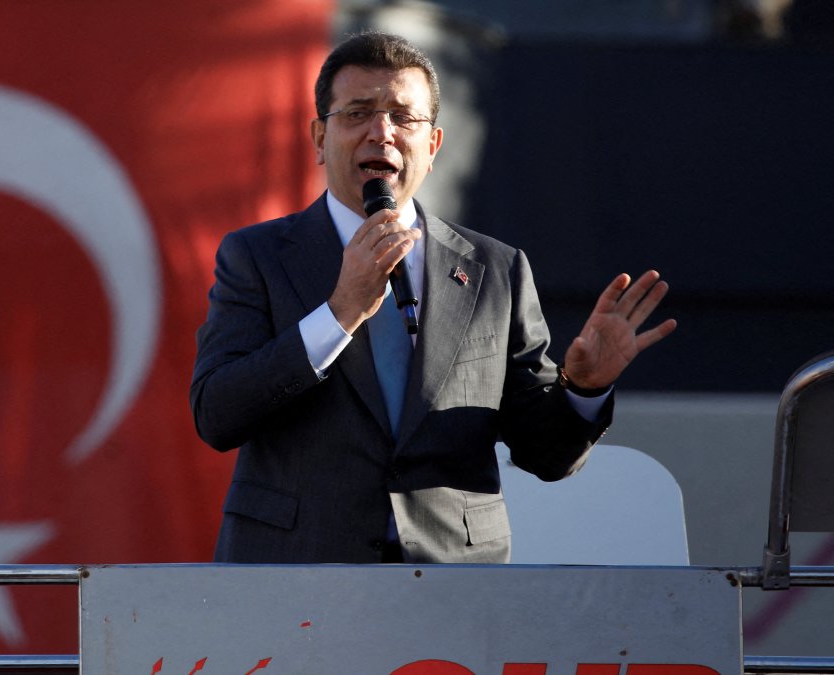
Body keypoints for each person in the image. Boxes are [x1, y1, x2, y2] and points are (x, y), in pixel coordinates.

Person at [189, 32, 676, 564]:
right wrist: (340, 313)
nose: (382, 133)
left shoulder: (496, 269)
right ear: (319, 138)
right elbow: (218, 415)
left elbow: (546, 455)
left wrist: (584, 386)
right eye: (357, 113)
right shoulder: (257, 256)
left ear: (434, 145)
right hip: (296, 569)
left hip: (452, 587)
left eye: (403, 117)